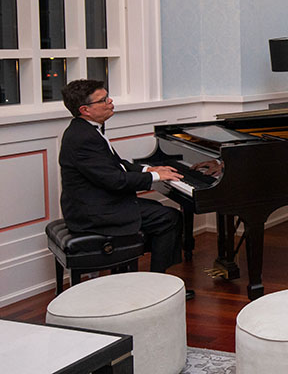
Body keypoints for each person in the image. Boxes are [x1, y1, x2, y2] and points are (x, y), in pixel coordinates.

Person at [59, 79, 194, 299]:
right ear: (85, 110)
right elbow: (115, 180)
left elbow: (117, 164)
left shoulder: (86, 129)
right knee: (168, 217)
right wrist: (155, 177)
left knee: (160, 213)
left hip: (98, 204)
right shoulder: (83, 138)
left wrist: (150, 168)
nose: (110, 101)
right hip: (94, 214)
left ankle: (135, 276)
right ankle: (157, 288)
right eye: (103, 100)